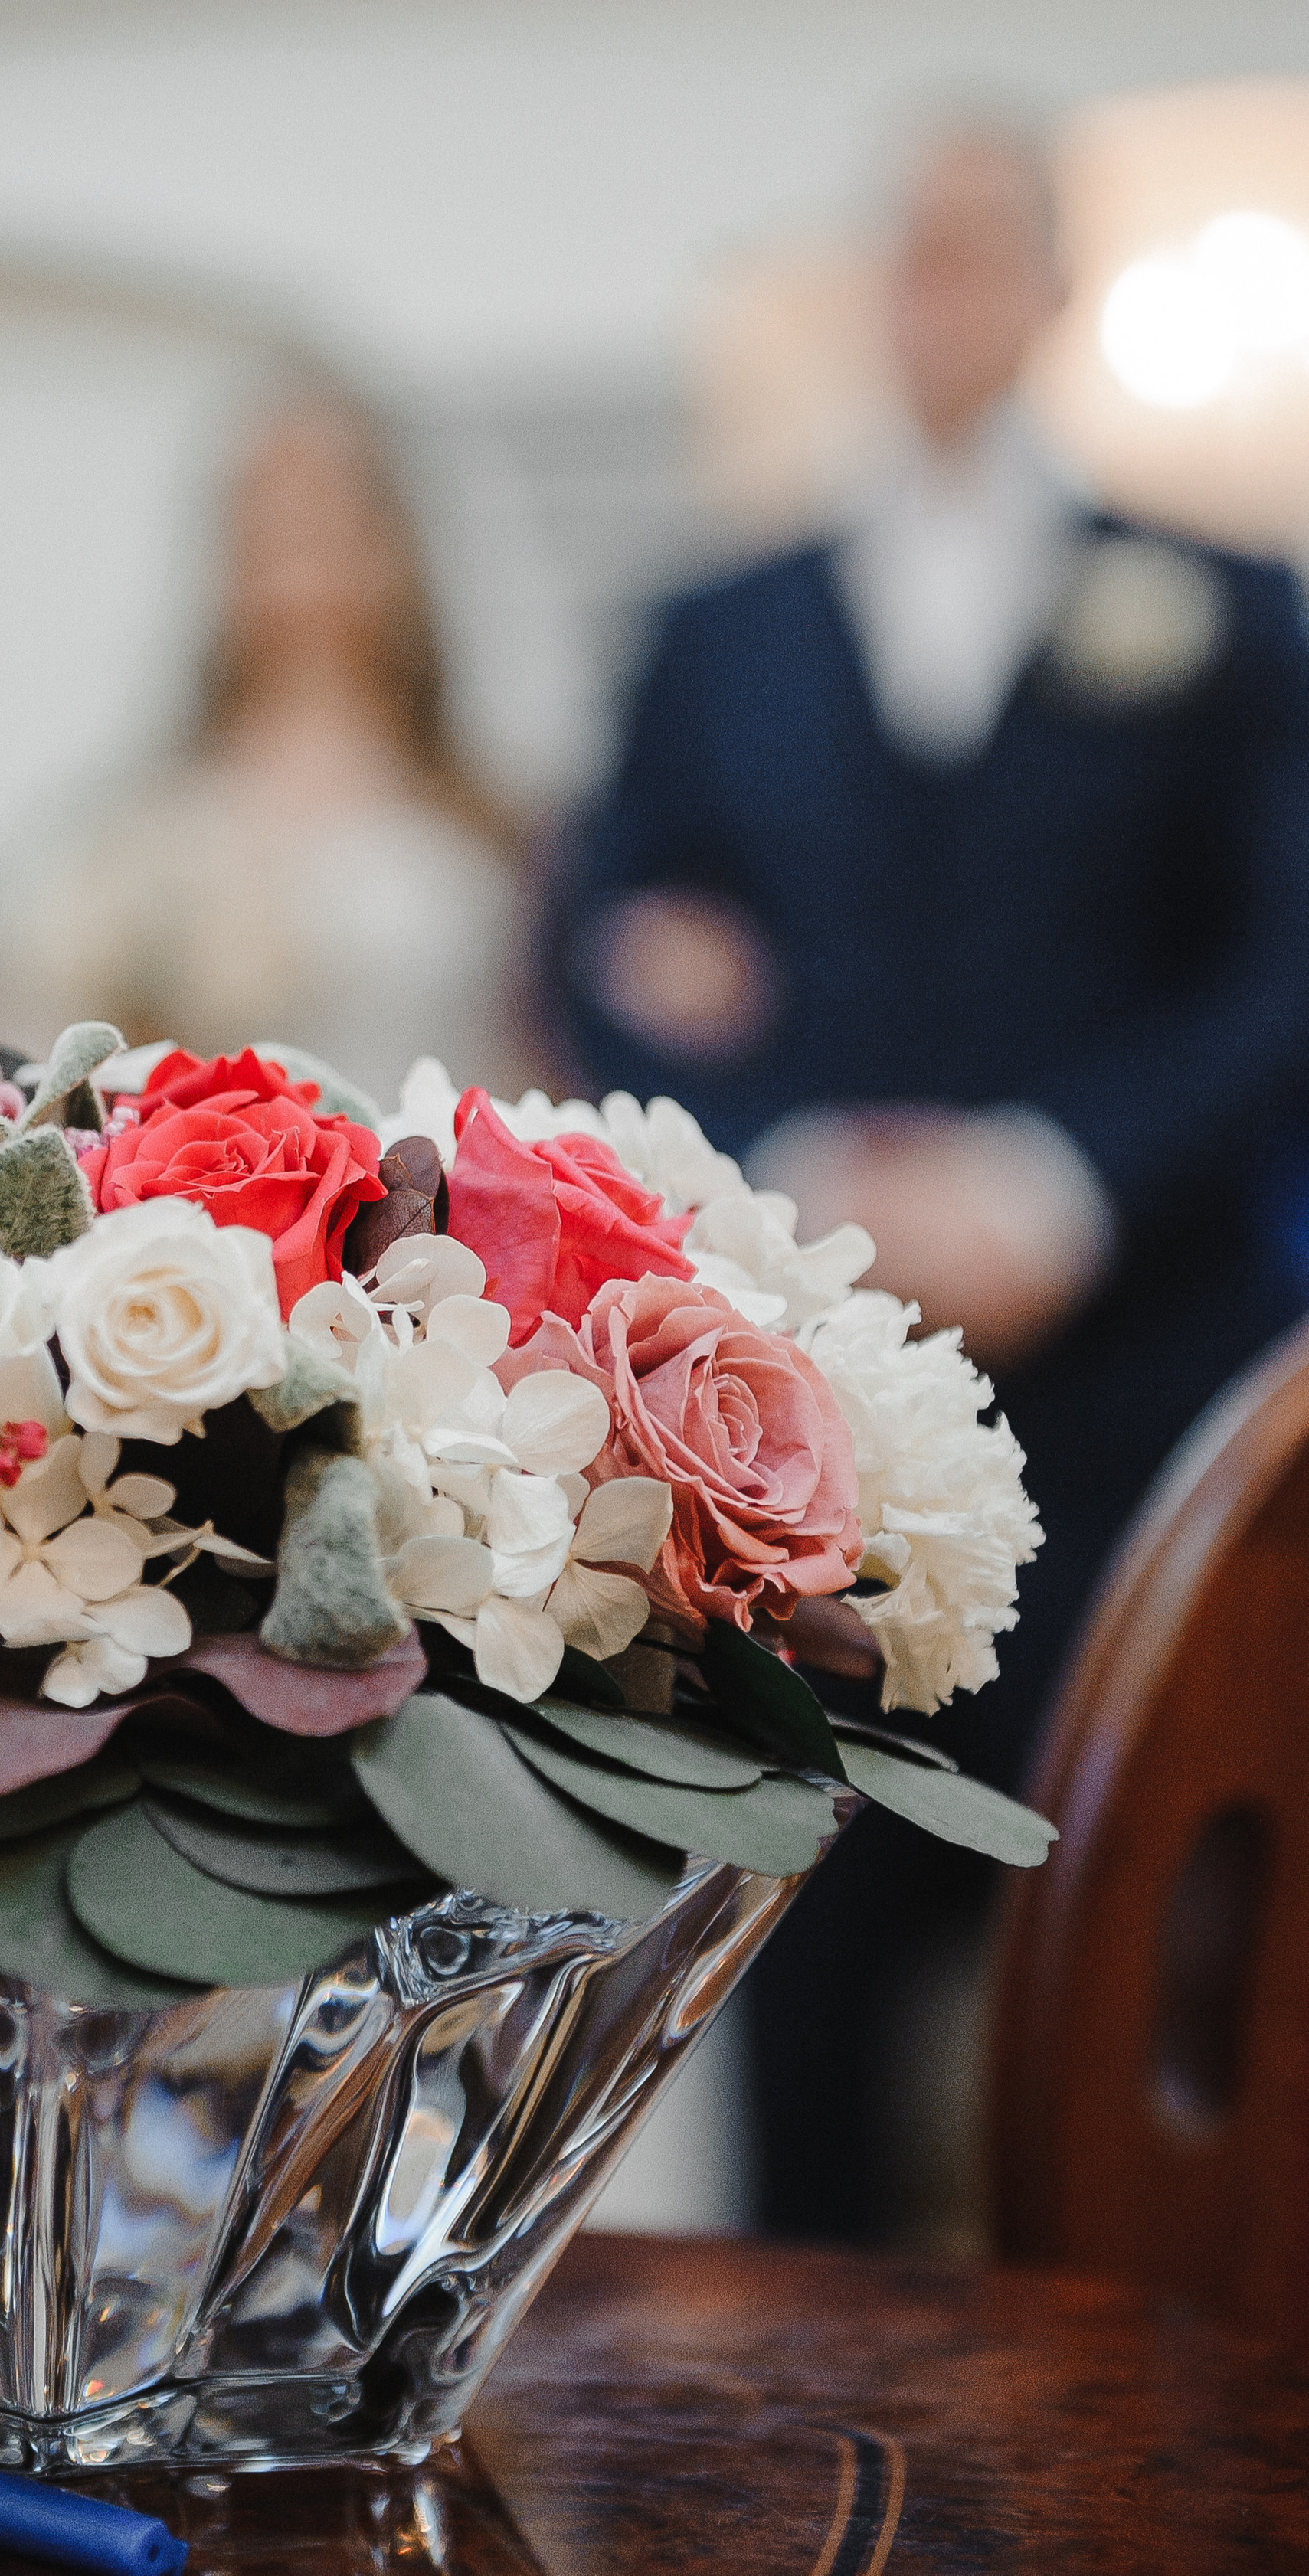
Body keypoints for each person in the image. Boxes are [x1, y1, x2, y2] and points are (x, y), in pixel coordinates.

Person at [551, 122, 1309, 2242]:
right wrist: (798, 1169)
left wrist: (1055, 1181)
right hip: (797, 1406)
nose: (939, 286)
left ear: (1056, 286)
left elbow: (1279, 961)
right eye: (909, 249)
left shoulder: (1228, 607)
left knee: (1133, 1924)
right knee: (795, 1935)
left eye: (983, 249)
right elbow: (614, 937)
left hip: (1123, 1362)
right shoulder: (721, 624)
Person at [0, 391, 530, 1104]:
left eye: (325, 503)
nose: (296, 535)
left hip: (431, 1187)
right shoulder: (147, 808)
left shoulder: (486, 814)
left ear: (391, 535)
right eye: (266, 511)